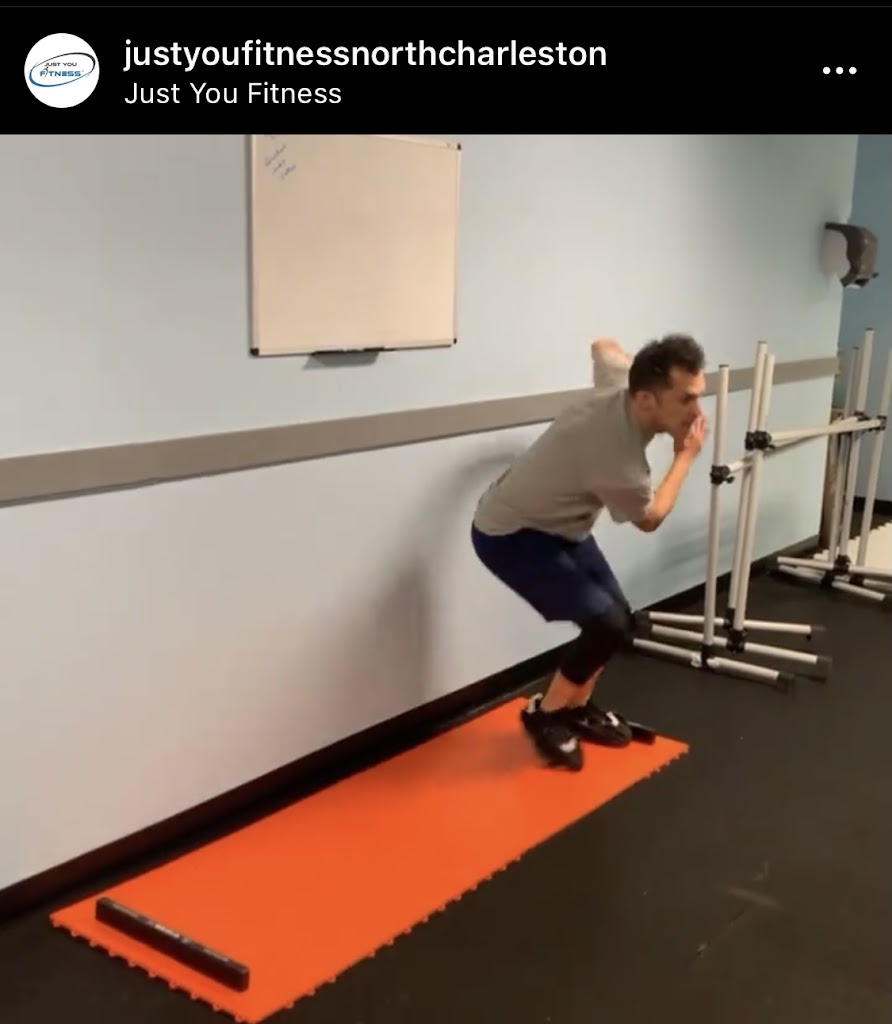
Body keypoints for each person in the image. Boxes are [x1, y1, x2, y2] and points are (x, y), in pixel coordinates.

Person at [471, 333, 708, 771]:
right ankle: (546, 715)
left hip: (561, 526)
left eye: (698, 396)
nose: (697, 413)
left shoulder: (622, 384)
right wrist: (685, 457)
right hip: (510, 535)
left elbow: (604, 347)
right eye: (686, 399)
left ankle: (574, 708)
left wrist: (640, 365)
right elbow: (651, 518)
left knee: (619, 622)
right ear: (646, 400)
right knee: (606, 625)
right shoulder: (619, 459)